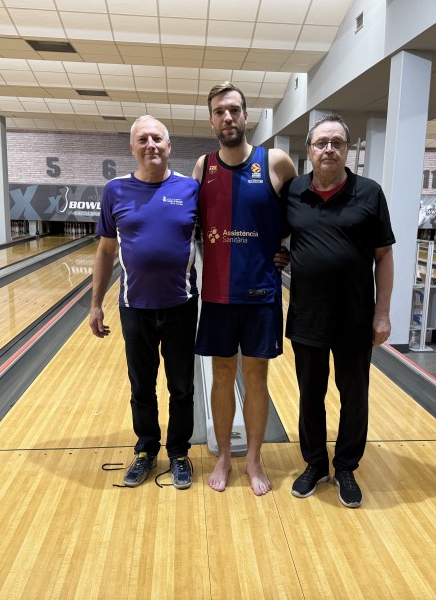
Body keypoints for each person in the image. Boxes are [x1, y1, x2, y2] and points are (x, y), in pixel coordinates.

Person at [283, 114, 395, 508]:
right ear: (310, 150)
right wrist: (280, 254)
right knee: (310, 395)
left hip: (355, 317)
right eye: (321, 142)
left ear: (348, 150)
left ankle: (346, 466)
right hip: (307, 316)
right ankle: (315, 463)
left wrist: (382, 314)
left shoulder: (369, 193)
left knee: (354, 396)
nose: (329, 149)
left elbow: (384, 256)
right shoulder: (294, 191)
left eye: (337, 143)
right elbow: (280, 237)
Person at [193, 82, 297, 496]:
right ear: (211, 121)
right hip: (218, 295)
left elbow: (302, 214)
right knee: (222, 375)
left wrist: (287, 250)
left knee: (256, 378)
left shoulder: (276, 162)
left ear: (246, 116)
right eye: (220, 111)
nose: (228, 117)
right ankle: (223, 455)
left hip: (261, 295)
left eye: (234, 110)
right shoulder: (203, 167)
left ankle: (254, 459)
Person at [89, 115, 200, 489]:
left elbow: (216, 239)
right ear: (132, 148)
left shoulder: (190, 189)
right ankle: (146, 450)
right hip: (134, 307)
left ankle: (179, 452)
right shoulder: (115, 191)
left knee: (181, 387)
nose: (150, 144)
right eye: (143, 139)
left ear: (169, 146)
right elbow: (106, 251)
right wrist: (95, 304)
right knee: (141, 386)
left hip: (182, 305)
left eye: (157, 138)